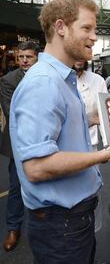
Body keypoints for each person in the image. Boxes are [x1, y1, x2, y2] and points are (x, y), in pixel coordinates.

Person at [9, 0, 110, 263]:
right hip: (60, 225)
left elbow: (59, 126)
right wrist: (107, 154)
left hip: (71, 219)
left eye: (94, 29)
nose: (94, 37)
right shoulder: (44, 83)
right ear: (61, 27)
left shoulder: (62, 79)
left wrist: (90, 119)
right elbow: (37, 167)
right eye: (86, 28)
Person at [0, 41, 40, 252]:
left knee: (44, 184)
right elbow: (12, 115)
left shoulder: (46, 77)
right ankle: (13, 228)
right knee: (16, 186)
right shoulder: (8, 80)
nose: (24, 61)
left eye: (29, 57)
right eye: (20, 57)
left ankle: (42, 228)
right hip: (18, 142)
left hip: (44, 140)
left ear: (37, 57)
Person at [75, 60, 108, 233]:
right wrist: (89, 119)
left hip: (91, 147)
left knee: (93, 192)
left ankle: (92, 236)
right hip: (65, 149)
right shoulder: (56, 80)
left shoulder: (98, 81)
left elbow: (105, 115)